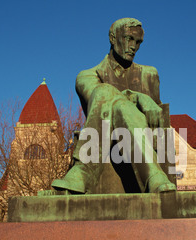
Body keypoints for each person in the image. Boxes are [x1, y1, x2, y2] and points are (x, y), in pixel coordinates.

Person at [51, 18, 176, 194]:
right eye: (128, 39)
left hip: (141, 134)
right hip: (107, 137)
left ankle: (83, 170)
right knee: (104, 93)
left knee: (114, 101)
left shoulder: (150, 75)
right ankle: (154, 176)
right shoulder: (87, 76)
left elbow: (157, 120)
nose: (134, 47)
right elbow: (101, 98)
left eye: (138, 42)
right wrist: (137, 97)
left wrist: (144, 101)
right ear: (112, 37)